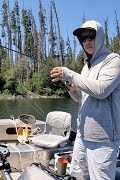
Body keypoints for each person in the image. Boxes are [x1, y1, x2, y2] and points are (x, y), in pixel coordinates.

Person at [50, 20, 120, 180]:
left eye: (91, 36)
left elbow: (101, 90)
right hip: (82, 135)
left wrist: (70, 74)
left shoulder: (113, 60)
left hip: (103, 140)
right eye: (83, 39)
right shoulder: (87, 66)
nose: (87, 41)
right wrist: (71, 86)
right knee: (77, 176)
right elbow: (80, 99)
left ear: (100, 37)